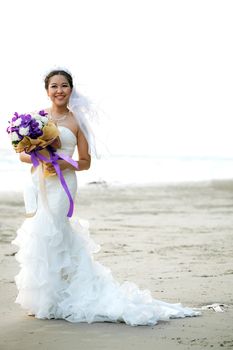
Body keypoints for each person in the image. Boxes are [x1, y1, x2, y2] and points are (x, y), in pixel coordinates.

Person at [12, 69, 200, 326]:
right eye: (54, 86)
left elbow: (86, 162)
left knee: (53, 229)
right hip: (40, 182)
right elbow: (22, 154)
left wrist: (63, 163)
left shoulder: (78, 122)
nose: (59, 90)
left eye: (64, 85)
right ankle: (46, 297)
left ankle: (56, 297)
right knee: (39, 231)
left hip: (64, 183)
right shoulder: (35, 119)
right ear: (47, 90)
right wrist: (40, 158)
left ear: (71, 89)